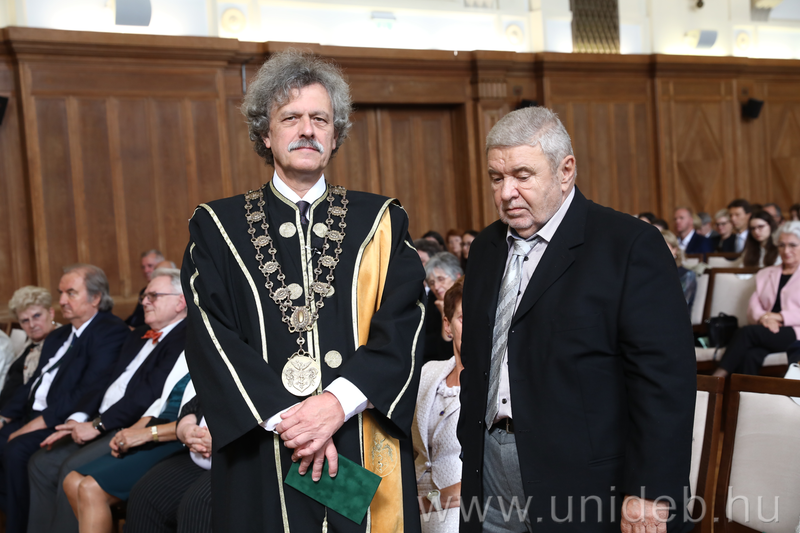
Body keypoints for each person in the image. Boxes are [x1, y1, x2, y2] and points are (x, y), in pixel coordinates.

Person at [181, 49, 425, 532]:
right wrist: (293, 424)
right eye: (290, 118)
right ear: (265, 134)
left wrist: (335, 405)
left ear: (335, 135)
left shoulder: (381, 221)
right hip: (264, 442)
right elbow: (210, 337)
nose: (307, 130)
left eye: (320, 119)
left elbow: (405, 323)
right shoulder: (216, 227)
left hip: (359, 432)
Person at [458, 106, 696, 532]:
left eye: (522, 175)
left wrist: (650, 491)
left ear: (565, 170)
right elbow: (477, 365)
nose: (507, 192)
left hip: (586, 479)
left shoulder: (628, 245)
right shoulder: (485, 249)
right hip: (489, 471)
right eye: (496, 178)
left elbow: (664, 382)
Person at [27, 268, 188, 533]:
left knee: (70, 469)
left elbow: (148, 395)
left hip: (129, 423)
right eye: (144, 296)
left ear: (180, 302)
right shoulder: (137, 334)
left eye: (153, 296)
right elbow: (103, 382)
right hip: (102, 417)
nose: (144, 301)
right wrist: (79, 418)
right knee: (40, 463)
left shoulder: (185, 337)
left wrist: (98, 425)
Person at [0, 264, 129, 533]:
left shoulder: (110, 331)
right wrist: (4, 416)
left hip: (65, 418)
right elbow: (34, 383)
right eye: (60, 293)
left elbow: (89, 390)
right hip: (35, 414)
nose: (61, 301)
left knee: (16, 449)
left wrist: (32, 425)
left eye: (71, 293)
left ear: (95, 297)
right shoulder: (59, 335)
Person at [61, 353, 193, 533]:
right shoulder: (189, 349)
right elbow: (163, 401)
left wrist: (147, 434)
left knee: (90, 488)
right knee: (72, 481)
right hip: (157, 423)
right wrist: (129, 432)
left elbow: (201, 420)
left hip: (179, 437)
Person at [713, 222, 800, 376]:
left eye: (793, 245)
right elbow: (753, 305)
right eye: (782, 245)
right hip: (766, 329)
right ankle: (741, 392)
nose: (786, 250)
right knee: (751, 355)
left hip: (794, 332)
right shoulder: (766, 273)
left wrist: (779, 317)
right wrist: (765, 318)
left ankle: (717, 378)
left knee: (746, 333)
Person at [413, 278, 464, 533]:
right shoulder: (428, 372)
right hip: (415, 516)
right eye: (464, 319)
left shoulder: (499, 388)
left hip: (462, 514)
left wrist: (424, 503)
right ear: (447, 325)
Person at [125, 395, 212, 533]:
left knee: (199, 506)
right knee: (146, 493)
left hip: (240, 460)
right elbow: (194, 405)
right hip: (196, 454)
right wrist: (186, 428)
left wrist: (225, 438)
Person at [1, 286, 60, 409]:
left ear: (51, 313)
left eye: (37, 316)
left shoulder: (62, 342)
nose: (32, 325)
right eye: (25, 320)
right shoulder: (30, 343)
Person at [424, 253, 462, 363]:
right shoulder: (431, 302)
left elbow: (447, 353)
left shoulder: (465, 302)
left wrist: (445, 314)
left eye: (441, 279)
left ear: (457, 276)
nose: (436, 287)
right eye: (432, 283)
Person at [126, 249, 165, 328]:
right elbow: (136, 317)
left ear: (160, 267)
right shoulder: (144, 291)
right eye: (143, 267)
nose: (146, 270)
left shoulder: (165, 292)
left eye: (150, 266)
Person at [661, 230, 697, 309]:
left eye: (664, 247)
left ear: (675, 250)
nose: (660, 252)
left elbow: (680, 304)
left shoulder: (686, 274)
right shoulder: (650, 273)